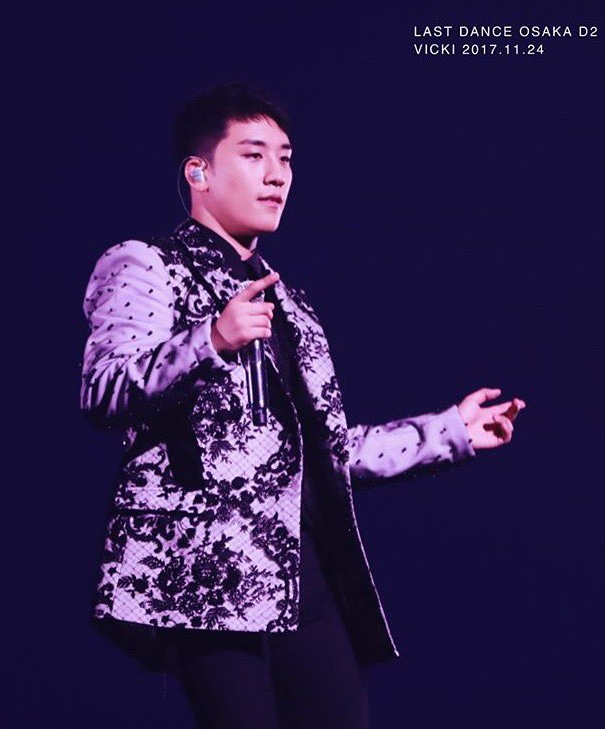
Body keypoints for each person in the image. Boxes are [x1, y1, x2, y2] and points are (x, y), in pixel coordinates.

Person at [79, 80, 526, 729]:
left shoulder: (293, 306)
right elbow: (104, 391)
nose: (277, 175)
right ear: (198, 172)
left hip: (301, 573)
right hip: (204, 576)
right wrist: (209, 341)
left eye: (285, 158)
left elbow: (330, 452)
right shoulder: (146, 264)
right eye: (253, 155)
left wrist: (451, 431)